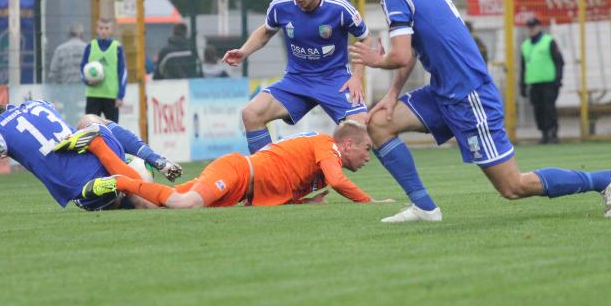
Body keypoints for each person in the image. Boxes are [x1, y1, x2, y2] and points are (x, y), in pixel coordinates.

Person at [349, 0, 611, 223]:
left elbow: (400, 55)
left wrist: (376, 61)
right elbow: (413, 48)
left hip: (469, 96)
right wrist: (392, 94)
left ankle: (605, 179)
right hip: (445, 91)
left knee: (513, 187)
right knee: (379, 123)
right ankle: (424, 208)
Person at [222, 0, 373, 154]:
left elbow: (366, 39)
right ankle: (269, 175)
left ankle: (326, 173)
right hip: (297, 79)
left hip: (335, 79)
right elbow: (266, 31)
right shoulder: (281, 5)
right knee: (251, 114)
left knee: (360, 128)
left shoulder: (339, 8)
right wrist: (243, 52)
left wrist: (356, 76)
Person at [77, 120, 392, 210]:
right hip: (237, 172)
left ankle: (102, 156)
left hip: (241, 189)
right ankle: (117, 177)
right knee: (185, 205)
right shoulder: (327, 146)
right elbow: (338, 182)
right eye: (366, 149)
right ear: (347, 144)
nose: (368, 156)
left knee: (150, 206)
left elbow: (287, 181)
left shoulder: (321, 162)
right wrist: (370, 202)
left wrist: (305, 201)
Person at [0, 100, 182, 217]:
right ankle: (154, 160)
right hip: (107, 152)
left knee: (115, 195)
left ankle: (137, 181)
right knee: (88, 120)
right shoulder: (37, 103)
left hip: (88, 191)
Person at [518, 15, 565, 144]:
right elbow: (523, 67)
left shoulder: (549, 41)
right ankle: (544, 134)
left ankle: (553, 133)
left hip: (549, 82)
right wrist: (522, 85)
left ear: (539, 27)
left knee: (549, 109)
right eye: (529, 27)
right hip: (533, 82)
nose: (531, 29)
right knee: (538, 110)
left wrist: (558, 79)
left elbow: (559, 61)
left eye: (533, 26)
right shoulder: (525, 45)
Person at [80, 17, 127, 122]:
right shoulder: (90, 46)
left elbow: (122, 72)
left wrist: (120, 95)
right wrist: (87, 80)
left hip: (111, 96)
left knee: (112, 130)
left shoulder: (117, 48)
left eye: (106, 28)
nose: (103, 31)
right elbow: (82, 68)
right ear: (97, 29)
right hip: (93, 94)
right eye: (101, 28)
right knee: (90, 128)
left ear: (111, 30)